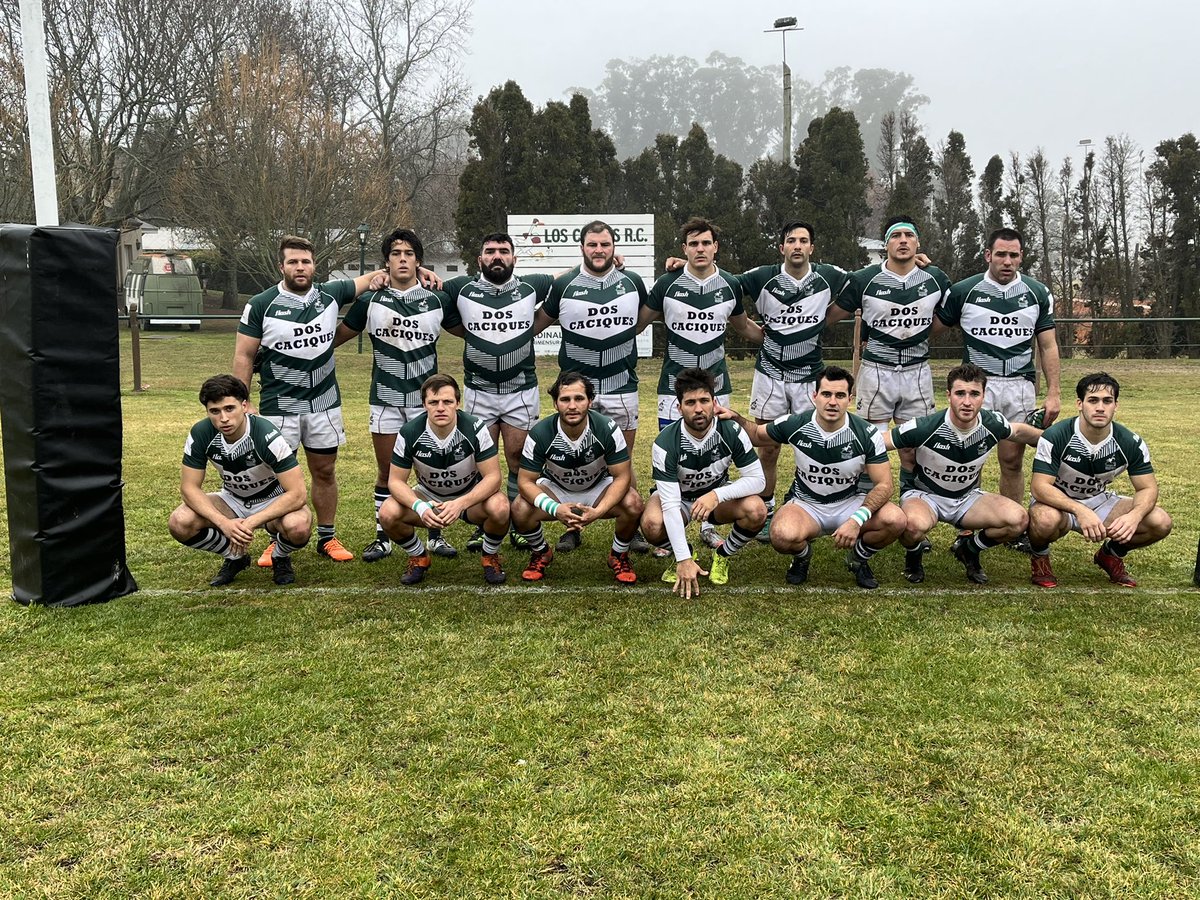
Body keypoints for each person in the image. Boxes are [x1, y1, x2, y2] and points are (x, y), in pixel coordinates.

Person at [232, 235, 382, 565]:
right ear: (281, 266)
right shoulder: (261, 303)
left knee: (324, 471)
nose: (300, 268)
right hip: (278, 406)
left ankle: (327, 537)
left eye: (306, 262)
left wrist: (419, 275)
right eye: (293, 262)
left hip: (323, 404)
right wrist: (242, 404)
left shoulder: (331, 293)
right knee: (274, 477)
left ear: (314, 265)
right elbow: (244, 355)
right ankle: (277, 538)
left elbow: (372, 279)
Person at [334, 227, 461, 563]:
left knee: (430, 470)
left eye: (408, 254)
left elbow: (472, 329)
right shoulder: (369, 300)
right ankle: (382, 536)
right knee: (387, 470)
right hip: (386, 398)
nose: (402, 259)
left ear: (418, 260)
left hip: (426, 403)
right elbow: (334, 338)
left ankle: (434, 535)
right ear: (386, 261)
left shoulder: (438, 298)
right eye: (395, 254)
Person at [720, 366, 905, 589]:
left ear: (850, 399)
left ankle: (858, 558)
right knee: (780, 535)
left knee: (896, 520)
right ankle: (802, 557)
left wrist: (856, 520)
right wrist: (736, 418)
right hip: (807, 504)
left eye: (840, 395)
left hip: (849, 503)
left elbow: (885, 485)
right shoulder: (796, 423)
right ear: (815, 396)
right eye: (826, 394)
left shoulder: (866, 434)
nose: (832, 402)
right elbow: (758, 435)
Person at [641, 217, 764, 552]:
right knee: (676, 453)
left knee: (715, 452)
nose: (699, 248)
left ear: (715, 247)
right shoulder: (667, 283)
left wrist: (779, 338)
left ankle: (709, 523)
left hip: (717, 385)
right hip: (672, 387)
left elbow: (744, 326)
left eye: (705, 243)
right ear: (684, 249)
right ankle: (671, 523)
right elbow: (637, 322)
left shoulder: (730, 285)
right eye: (693, 244)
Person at [535, 220, 650, 553]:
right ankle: (572, 527)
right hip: (576, 392)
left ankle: (633, 527)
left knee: (622, 462)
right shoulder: (565, 285)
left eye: (604, 244)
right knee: (572, 459)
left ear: (614, 246)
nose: (598, 250)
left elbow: (642, 320)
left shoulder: (632, 281)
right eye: (592, 245)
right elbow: (535, 325)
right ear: (581, 247)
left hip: (621, 387)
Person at [736, 221, 850, 542]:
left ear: (812, 247)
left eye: (803, 240)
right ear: (781, 247)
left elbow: (863, 285)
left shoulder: (829, 275)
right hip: (770, 375)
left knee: (813, 446)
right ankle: (768, 506)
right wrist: (681, 267)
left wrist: (827, 319)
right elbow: (724, 286)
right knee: (768, 447)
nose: (797, 245)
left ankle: (810, 505)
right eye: (791, 240)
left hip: (810, 377)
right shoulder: (762, 276)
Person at [934, 227, 1062, 509]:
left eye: (1013, 255)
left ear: (1021, 257)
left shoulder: (1037, 292)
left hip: (1019, 385)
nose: (1007, 261)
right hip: (977, 387)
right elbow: (931, 328)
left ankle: (1011, 525)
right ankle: (967, 526)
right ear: (988, 255)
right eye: (1001, 254)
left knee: (1012, 459)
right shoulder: (963, 291)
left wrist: (1054, 392)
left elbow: (1048, 346)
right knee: (969, 458)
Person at [442, 233, 554, 552]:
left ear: (514, 258)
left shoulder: (532, 285)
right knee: (480, 461)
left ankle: (519, 522)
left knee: (519, 458)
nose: (497, 257)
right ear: (480, 259)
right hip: (479, 389)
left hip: (520, 389)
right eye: (489, 251)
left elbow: (569, 279)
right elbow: (437, 298)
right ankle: (484, 523)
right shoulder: (459, 287)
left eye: (504, 251)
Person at [884, 364, 1042, 584]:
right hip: (926, 496)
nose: (967, 402)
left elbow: (1018, 431)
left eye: (974, 394)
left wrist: (1054, 440)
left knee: (1018, 521)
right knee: (912, 526)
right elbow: (880, 442)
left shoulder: (991, 423)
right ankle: (914, 555)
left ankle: (969, 549)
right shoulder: (925, 427)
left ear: (983, 396)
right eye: (960, 393)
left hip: (967, 497)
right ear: (948, 395)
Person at [1027, 372, 1172, 588]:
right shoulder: (1056, 435)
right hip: (1057, 502)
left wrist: (1134, 516)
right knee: (1045, 520)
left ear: (1116, 405)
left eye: (1107, 401)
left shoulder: (1130, 442)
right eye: (1093, 400)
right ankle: (1040, 557)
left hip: (1099, 501)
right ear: (1080, 404)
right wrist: (1079, 510)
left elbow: (1148, 488)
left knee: (1160, 522)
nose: (1100, 407)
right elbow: (1039, 487)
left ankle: (1110, 555)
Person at [168, 375, 311, 587]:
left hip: (273, 499)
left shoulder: (266, 435)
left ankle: (279, 556)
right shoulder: (201, 433)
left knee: (298, 526)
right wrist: (223, 523)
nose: (223, 418)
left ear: (244, 406)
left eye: (229, 408)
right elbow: (189, 488)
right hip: (232, 499)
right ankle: (236, 557)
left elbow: (298, 493)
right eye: (214, 411)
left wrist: (251, 523)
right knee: (179, 522)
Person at [640, 367, 767, 599]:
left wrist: (716, 495)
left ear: (714, 402)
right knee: (651, 524)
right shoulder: (665, 442)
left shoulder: (731, 430)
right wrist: (683, 559)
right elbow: (669, 505)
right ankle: (687, 553)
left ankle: (723, 555)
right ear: (679, 408)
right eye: (690, 403)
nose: (698, 409)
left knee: (757, 510)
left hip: (716, 501)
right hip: (680, 501)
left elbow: (758, 480)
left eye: (704, 400)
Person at [511, 371, 644, 584]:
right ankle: (541, 552)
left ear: (590, 401)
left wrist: (599, 511)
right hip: (557, 489)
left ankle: (618, 555)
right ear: (555, 403)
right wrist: (555, 509)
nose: (572, 406)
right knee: (519, 507)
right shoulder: (541, 433)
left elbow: (622, 477)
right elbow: (525, 481)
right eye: (565, 399)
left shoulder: (607, 429)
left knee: (633, 502)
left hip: (597, 487)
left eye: (579, 398)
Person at [378, 374, 511, 585]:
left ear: (458, 403)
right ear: (424, 405)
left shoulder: (475, 428)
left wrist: (460, 503)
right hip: (428, 496)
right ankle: (419, 557)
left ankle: (489, 556)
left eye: (447, 402)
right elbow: (395, 482)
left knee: (501, 506)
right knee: (387, 512)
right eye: (433, 402)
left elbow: (494, 477)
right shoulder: (409, 432)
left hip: (468, 497)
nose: (441, 408)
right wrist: (420, 506)